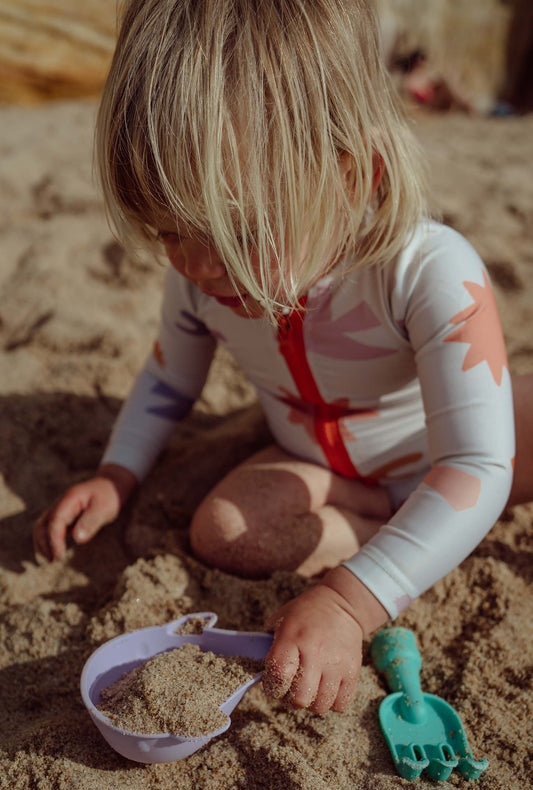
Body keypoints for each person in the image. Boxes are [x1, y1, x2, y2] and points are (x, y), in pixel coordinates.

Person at [34, 0, 532, 716]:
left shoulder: (425, 271)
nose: (196, 265)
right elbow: (168, 380)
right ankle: (397, 525)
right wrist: (118, 473)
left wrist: (350, 600)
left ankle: (410, 531)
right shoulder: (199, 277)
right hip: (323, 472)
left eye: (235, 230)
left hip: (443, 444)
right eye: (167, 231)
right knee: (224, 532)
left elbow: (478, 464)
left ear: (353, 175)